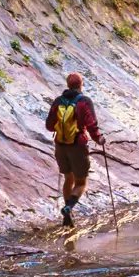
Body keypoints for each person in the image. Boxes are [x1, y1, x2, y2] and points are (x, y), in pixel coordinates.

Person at [44, 72, 105, 227]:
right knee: (81, 182)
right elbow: (91, 124)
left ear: (67, 85)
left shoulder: (58, 101)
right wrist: (99, 139)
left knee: (68, 179)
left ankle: (67, 217)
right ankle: (68, 207)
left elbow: (49, 126)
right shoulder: (84, 101)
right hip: (77, 146)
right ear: (81, 85)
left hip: (60, 146)